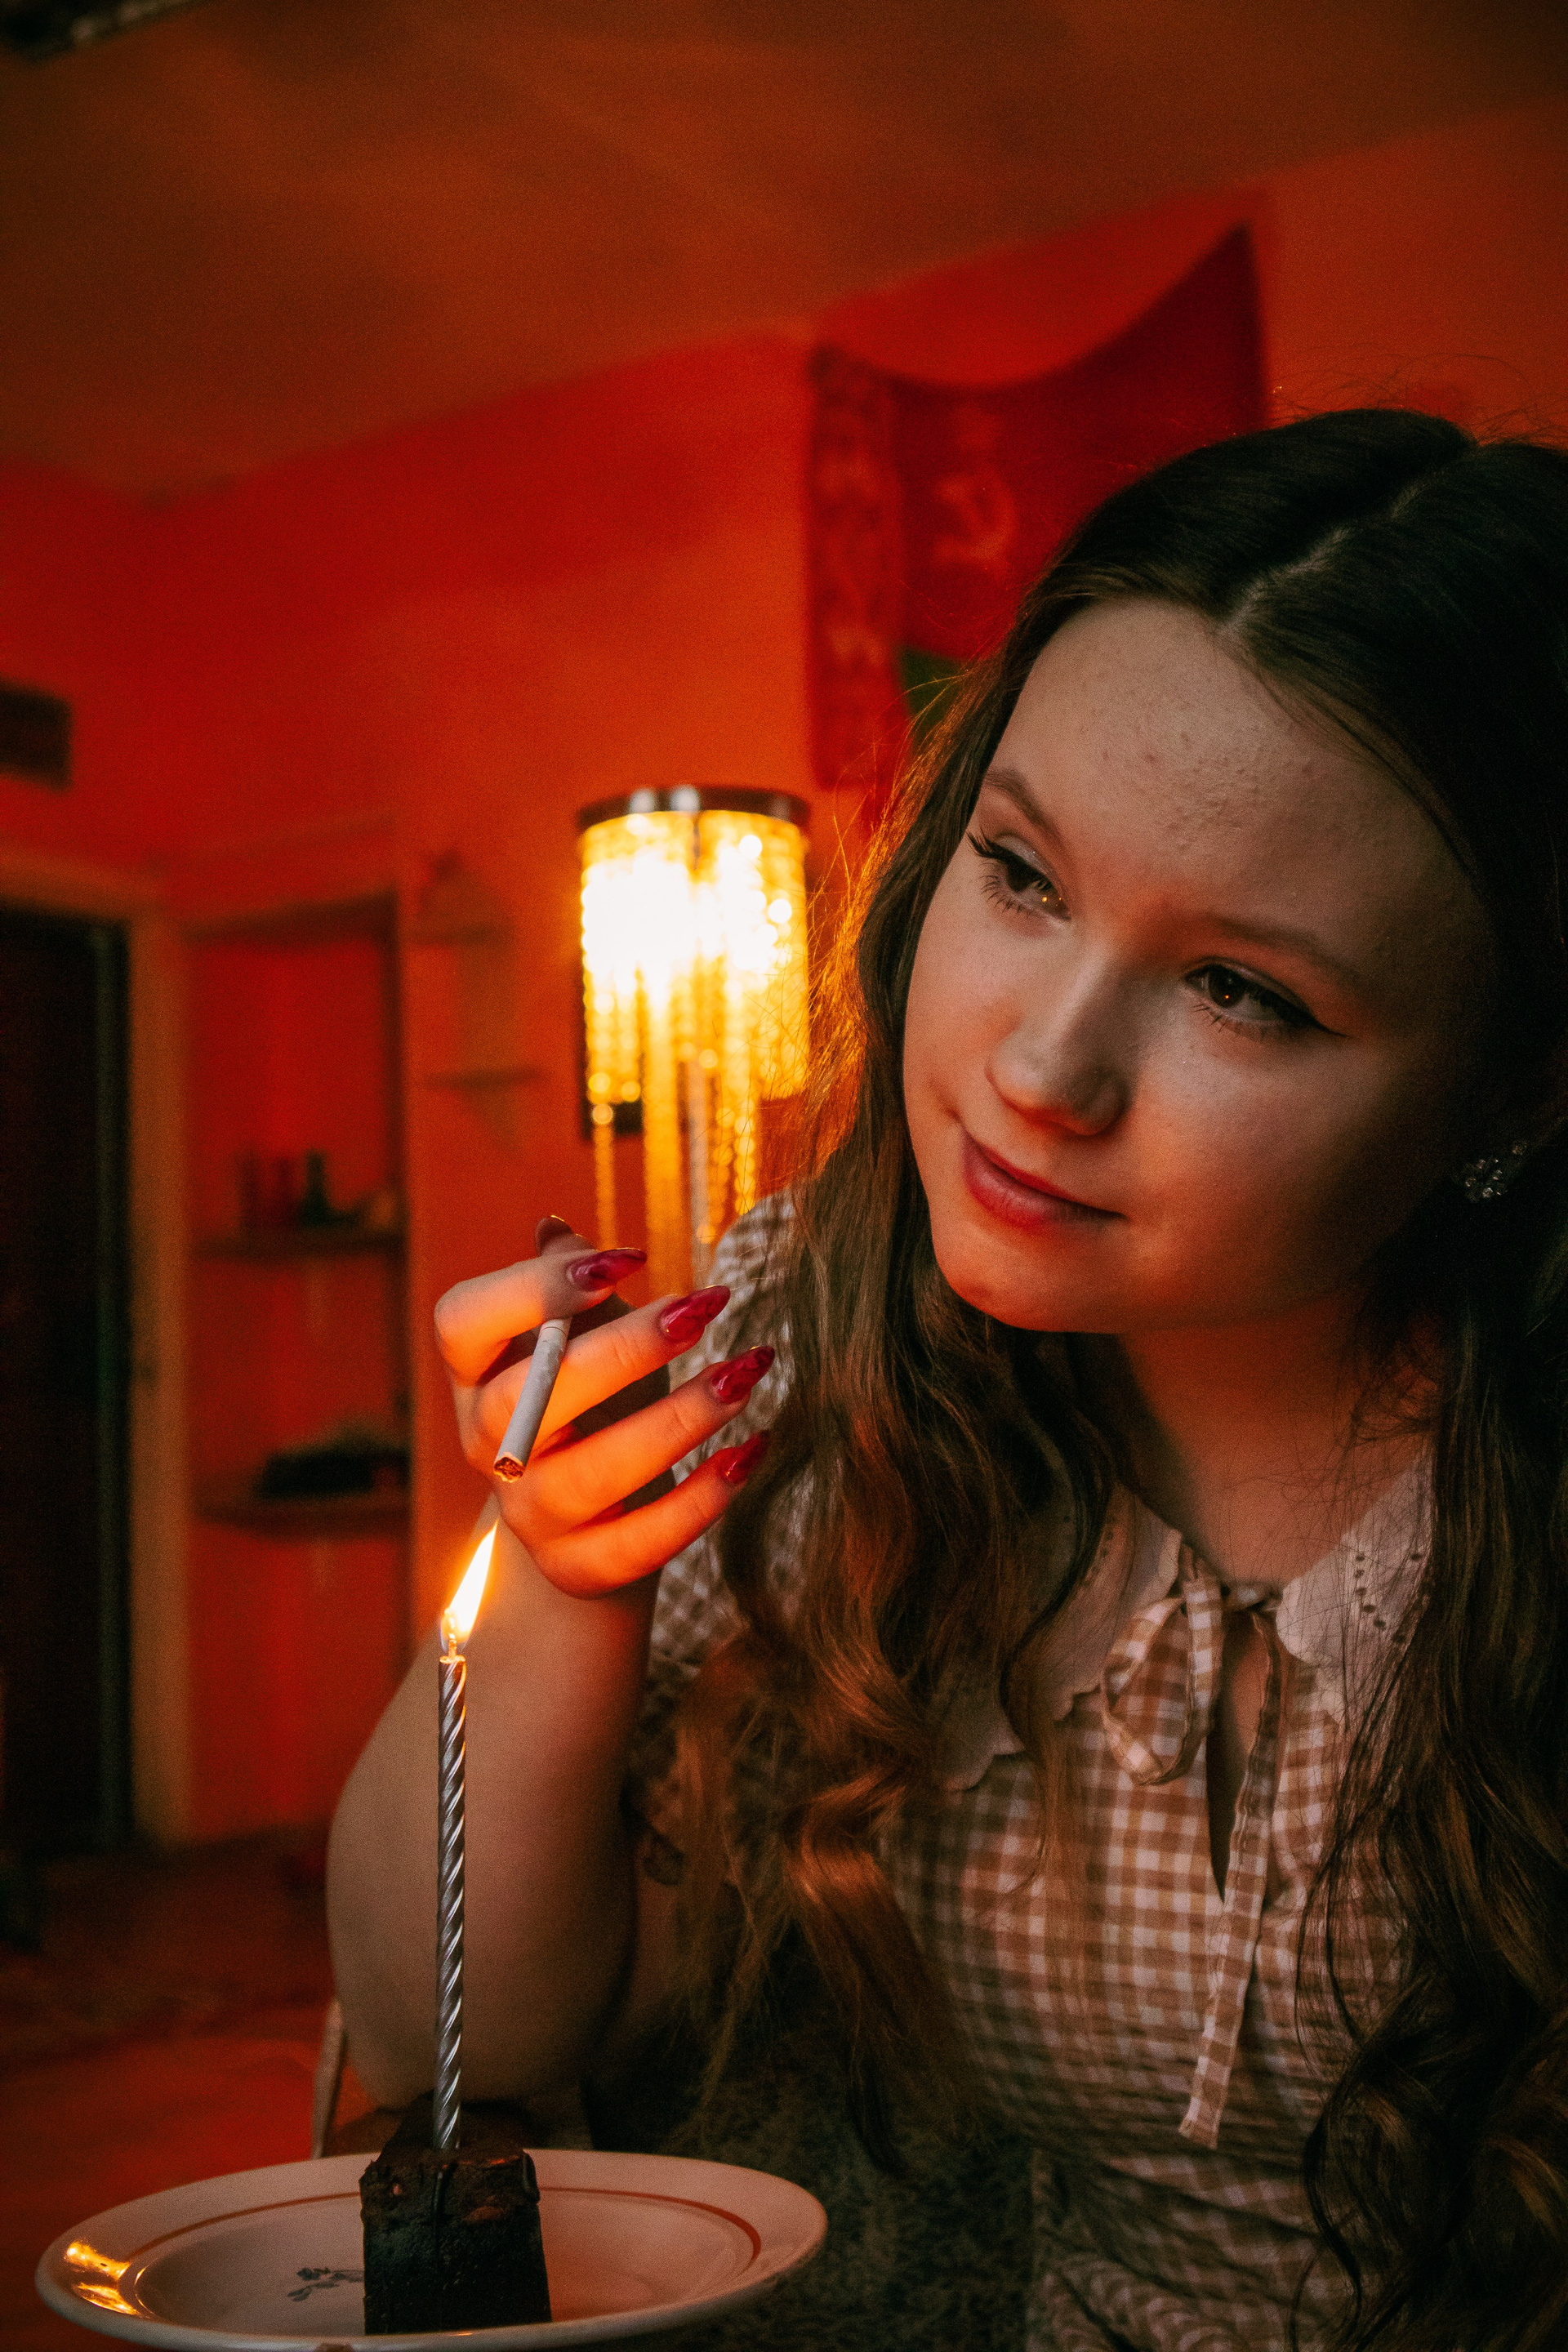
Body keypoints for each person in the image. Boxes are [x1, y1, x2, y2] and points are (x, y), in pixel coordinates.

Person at [327, 411, 1568, 2352]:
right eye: (1023, 876)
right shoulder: (801, 1337)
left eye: (1243, 990)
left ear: (1514, 1091)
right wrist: (561, 1575)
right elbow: (444, 2047)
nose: (1040, 1071)